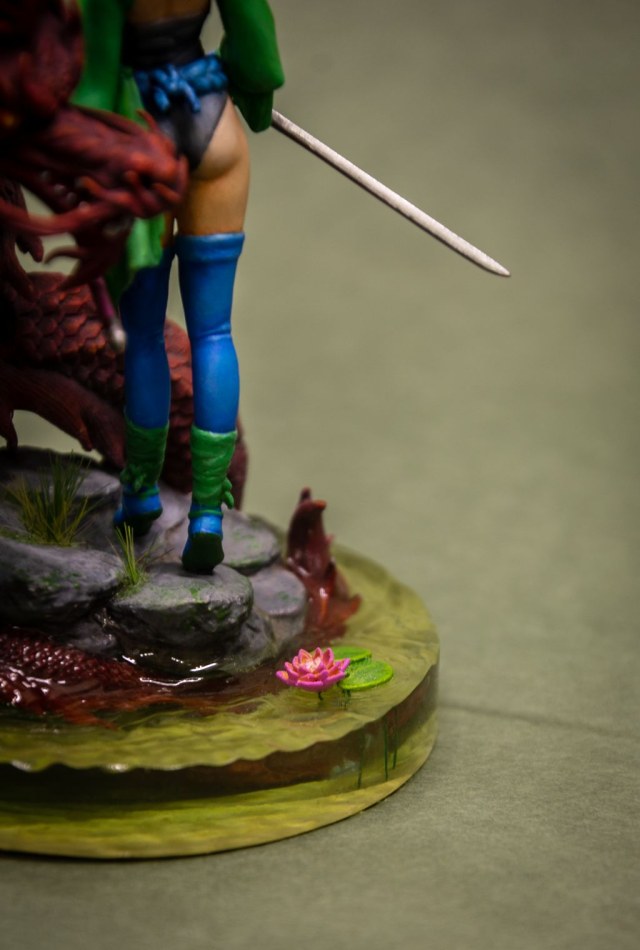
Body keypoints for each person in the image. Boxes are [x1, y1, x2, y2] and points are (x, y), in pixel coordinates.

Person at [73, 0, 284, 572]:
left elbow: (94, 80)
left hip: (143, 136)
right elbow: (258, 55)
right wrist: (242, 86)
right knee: (214, 331)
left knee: (143, 334)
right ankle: (208, 512)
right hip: (212, 122)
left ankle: (140, 488)